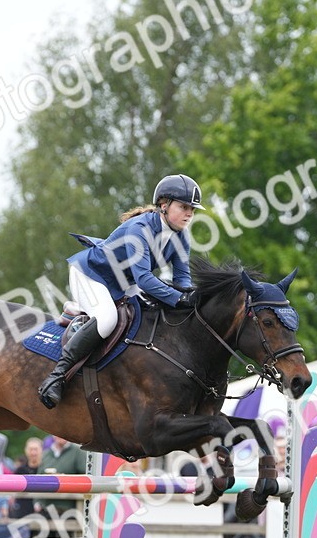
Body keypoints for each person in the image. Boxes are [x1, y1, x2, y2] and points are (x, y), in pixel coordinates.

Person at [39, 173, 203, 409]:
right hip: (92, 275)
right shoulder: (139, 228)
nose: (189, 214)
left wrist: (191, 298)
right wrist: (180, 299)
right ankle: (56, 377)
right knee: (107, 320)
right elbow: (145, 280)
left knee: (147, 318)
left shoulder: (181, 236)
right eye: (184, 207)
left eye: (193, 209)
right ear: (164, 205)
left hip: (124, 282)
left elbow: (182, 278)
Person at [40, 436, 89, 538]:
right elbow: (38, 474)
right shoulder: (47, 453)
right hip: (47, 507)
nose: (59, 437)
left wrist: (65, 479)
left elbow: (84, 475)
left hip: (67, 508)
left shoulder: (76, 452)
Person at [9, 437, 44, 520]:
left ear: (41, 450)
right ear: (26, 451)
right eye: (31, 449)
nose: (33, 453)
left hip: (43, 513)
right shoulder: (20, 470)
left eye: (36, 449)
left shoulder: (46, 470)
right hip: (23, 512)